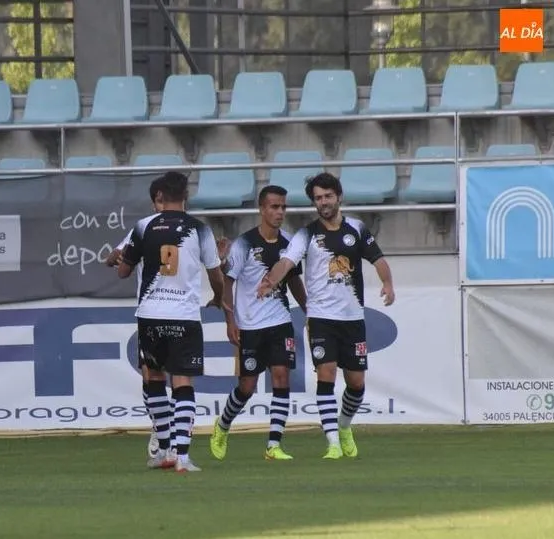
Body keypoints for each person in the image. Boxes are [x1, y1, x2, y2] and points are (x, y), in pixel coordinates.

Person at [258, 173, 394, 459]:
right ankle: (332, 442)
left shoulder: (356, 228)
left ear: (338, 196)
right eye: (318, 198)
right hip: (320, 317)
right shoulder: (306, 234)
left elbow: (378, 259)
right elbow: (287, 261)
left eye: (327, 196)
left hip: (353, 317)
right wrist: (270, 280)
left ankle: (344, 426)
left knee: (356, 383)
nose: (323, 202)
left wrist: (388, 283)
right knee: (326, 375)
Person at [118, 171, 225, 473]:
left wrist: (123, 260)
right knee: (182, 382)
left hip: (150, 314)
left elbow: (123, 272)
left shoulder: (143, 227)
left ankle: (163, 450)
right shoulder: (199, 229)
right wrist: (218, 297)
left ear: (161, 197)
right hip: (184, 314)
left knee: (153, 378)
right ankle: (182, 456)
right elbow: (215, 274)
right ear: (186, 197)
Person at [209, 185, 307, 462]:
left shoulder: (289, 243)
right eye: (274, 207)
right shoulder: (244, 244)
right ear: (262, 209)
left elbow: (293, 280)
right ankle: (223, 425)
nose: (279, 212)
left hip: (280, 320)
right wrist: (230, 321)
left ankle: (273, 445)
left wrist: (308, 309)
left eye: (283, 207)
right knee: (247, 387)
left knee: (281, 378)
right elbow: (228, 281)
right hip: (250, 324)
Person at [106, 177, 177, 461]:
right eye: (158, 201)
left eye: (166, 200)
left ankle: (170, 439)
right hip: (150, 312)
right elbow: (117, 260)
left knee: (177, 378)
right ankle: (163, 433)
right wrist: (116, 256)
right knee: (152, 377)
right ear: (154, 202)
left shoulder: (188, 228)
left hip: (177, 310)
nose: (162, 206)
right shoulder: (144, 227)